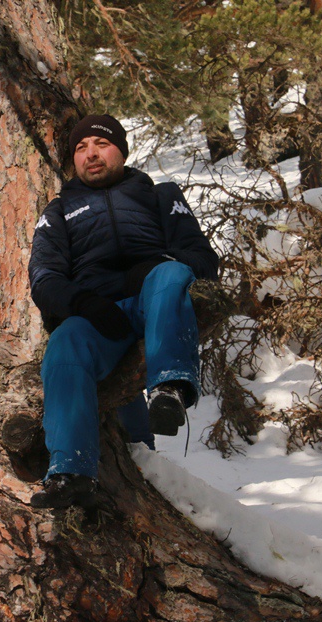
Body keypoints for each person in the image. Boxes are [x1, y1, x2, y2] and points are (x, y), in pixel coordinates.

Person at [27, 114, 219, 509]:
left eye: (101, 144)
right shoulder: (59, 211)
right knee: (64, 344)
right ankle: (71, 472)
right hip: (99, 318)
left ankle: (169, 389)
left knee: (169, 274)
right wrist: (83, 303)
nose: (90, 154)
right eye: (80, 148)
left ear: (122, 150)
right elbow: (44, 278)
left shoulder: (160, 195)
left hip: (156, 301)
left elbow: (202, 259)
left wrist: (157, 264)